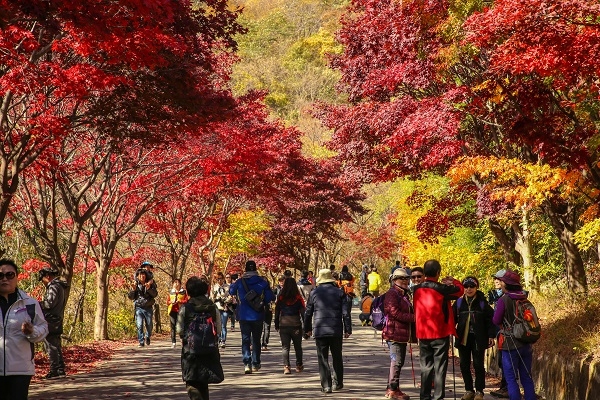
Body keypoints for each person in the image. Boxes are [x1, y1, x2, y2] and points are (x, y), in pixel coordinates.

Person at [413, 259, 464, 400]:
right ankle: (438, 397)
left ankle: (424, 396)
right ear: (438, 272)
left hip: (423, 333)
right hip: (439, 333)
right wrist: (453, 281)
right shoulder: (441, 289)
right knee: (439, 367)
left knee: (425, 367)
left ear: (424, 273)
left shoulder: (416, 289)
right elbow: (460, 291)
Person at [0, 258, 48, 400]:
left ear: (17, 277)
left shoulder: (29, 303)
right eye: (0, 276)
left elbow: (43, 327)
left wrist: (31, 331)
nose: (4, 279)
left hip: (20, 369)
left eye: (9, 275)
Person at [304, 269, 352, 393]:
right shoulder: (340, 293)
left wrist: (307, 329)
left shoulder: (314, 293)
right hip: (336, 329)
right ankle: (338, 383)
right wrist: (348, 329)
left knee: (322, 358)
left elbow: (308, 312)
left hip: (320, 330)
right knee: (337, 356)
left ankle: (326, 385)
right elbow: (346, 313)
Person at [492, 270, 536, 400]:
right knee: (527, 377)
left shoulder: (504, 300)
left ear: (505, 283)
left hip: (509, 344)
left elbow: (496, 320)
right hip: (526, 342)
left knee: (511, 379)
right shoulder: (524, 298)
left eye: (501, 281)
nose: (499, 283)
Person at [177, 276, 224, 400]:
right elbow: (218, 329)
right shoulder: (212, 307)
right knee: (204, 381)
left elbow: (179, 330)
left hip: (190, 351)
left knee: (192, 382)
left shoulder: (185, 308)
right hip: (209, 350)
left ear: (189, 291)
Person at [228, 260, 275, 374]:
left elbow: (231, 291)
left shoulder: (240, 282)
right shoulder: (262, 282)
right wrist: (261, 300)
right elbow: (270, 297)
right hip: (258, 314)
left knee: (245, 339)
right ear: (255, 269)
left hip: (243, 314)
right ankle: (256, 362)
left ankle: (247, 363)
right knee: (256, 340)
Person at [453, 277, 495, 400]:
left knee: (478, 365)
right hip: (463, 339)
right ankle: (468, 390)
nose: (469, 289)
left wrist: (491, 335)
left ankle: (479, 391)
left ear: (477, 287)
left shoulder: (482, 303)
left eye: (472, 286)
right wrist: (450, 330)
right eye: (466, 286)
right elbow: (452, 319)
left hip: (479, 339)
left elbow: (491, 320)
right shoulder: (459, 303)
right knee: (464, 365)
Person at [382, 268, 415, 400]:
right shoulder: (392, 294)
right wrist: (414, 318)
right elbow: (394, 313)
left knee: (397, 362)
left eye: (407, 278)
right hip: (394, 333)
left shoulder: (403, 294)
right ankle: (392, 389)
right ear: (394, 280)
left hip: (401, 333)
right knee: (396, 361)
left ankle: (393, 388)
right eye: (402, 278)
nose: (406, 281)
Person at [39, 267, 69, 379]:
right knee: (55, 344)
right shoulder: (59, 285)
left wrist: (37, 304)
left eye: (43, 279)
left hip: (52, 319)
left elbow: (49, 304)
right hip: (56, 319)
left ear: (47, 276)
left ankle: (54, 370)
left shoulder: (54, 286)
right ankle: (60, 369)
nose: (43, 282)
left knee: (50, 344)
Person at [274, 277, 306, 374]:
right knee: (298, 346)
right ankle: (299, 365)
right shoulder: (298, 298)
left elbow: (277, 312)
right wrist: (306, 325)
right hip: (296, 325)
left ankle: (286, 367)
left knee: (285, 347)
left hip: (284, 325)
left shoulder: (280, 298)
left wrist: (276, 324)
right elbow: (303, 313)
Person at [488, 270, 509, 398]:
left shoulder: (507, 297)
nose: (496, 281)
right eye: (495, 278)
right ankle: (504, 386)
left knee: (505, 361)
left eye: (498, 279)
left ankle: (506, 388)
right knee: (502, 361)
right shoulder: (496, 295)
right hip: (499, 333)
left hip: (507, 334)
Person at [128, 268, 158, 347]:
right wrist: (133, 290)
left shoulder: (151, 284)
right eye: (140, 274)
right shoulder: (135, 284)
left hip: (148, 307)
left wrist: (149, 289)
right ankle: (141, 341)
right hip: (139, 307)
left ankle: (147, 336)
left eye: (143, 274)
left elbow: (155, 294)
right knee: (139, 325)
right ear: (137, 276)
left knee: (149, 325)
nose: (142, 276)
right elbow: (130, 297)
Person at [211, 272, 231, 348]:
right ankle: (218, 339)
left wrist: (225, 300)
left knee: (223, 325)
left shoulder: (227, 287)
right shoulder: (214, 287)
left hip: (225, 307)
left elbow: (230, 296)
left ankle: (223, 340)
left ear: (223, 279)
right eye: (218, 279)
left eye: (221, 279)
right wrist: (215, 298)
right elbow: (212, 298)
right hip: (216, 307)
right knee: (216, 324)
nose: (219, 280)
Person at [168, 278, 189, 348]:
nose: (176, 284)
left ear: (180, 284)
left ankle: (182, 339)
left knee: (180, 326)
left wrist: (180, 301)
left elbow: (186, 300)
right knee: (173, 326)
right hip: (172, 311)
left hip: (181, 311)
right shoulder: (171, 292)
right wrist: (171, 302)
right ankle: (173, 342)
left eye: (178, 283)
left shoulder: (183, 292)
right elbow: (167, 302)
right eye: (175, 282)